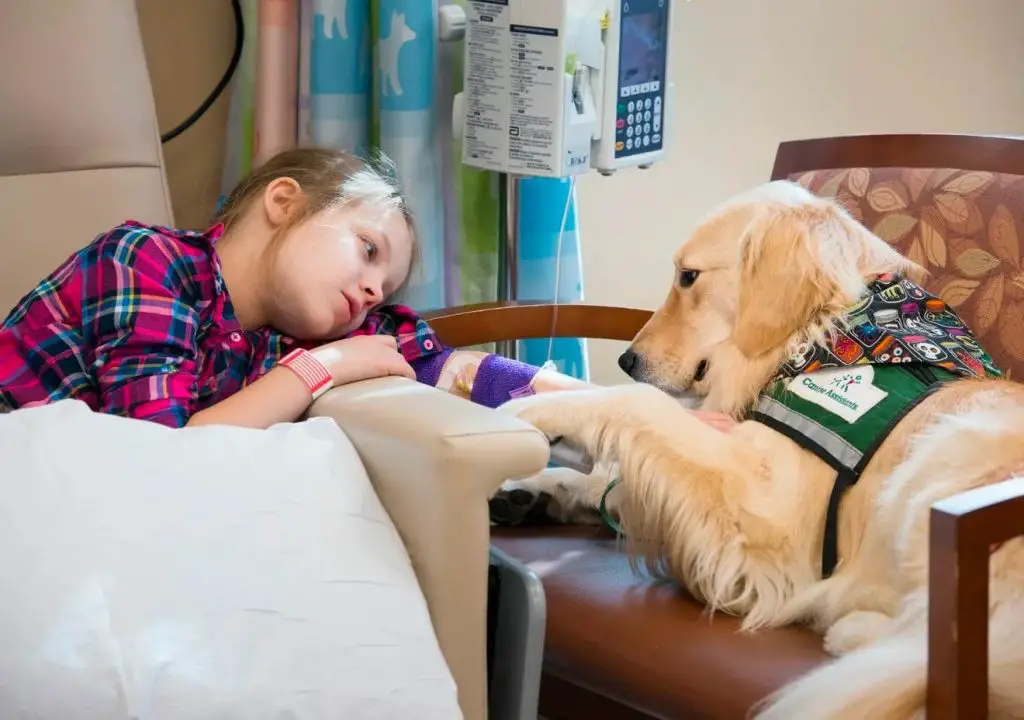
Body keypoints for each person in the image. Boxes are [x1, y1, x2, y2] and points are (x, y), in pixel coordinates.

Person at [0, 147, 734, 433]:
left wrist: (650, 421)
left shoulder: (316, 331)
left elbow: (470, 374)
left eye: (384, 283)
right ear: (282, 203)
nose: (371, 289)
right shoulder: (146, 262)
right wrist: (319, 371)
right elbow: (161, 451)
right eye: (367, 250)